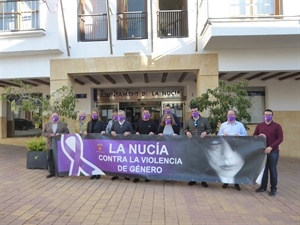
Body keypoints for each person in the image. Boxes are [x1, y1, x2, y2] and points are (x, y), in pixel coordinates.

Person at [253, 109, 283, 196]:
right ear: (263, 115)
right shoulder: (260, 126)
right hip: (262, 152)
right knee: (264, 170)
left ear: (272, 116)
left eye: (269, 114)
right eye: (266, 114)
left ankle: (273, 189)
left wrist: (271, 146)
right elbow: (254, 136)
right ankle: (263, 187)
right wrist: (259, 136)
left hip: (273, 151)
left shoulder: (277, 126)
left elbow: (280, 138)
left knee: (272, 170)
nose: (267, 116)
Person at [217, 109, 248, 191]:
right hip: (226, 148)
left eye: (232, 114)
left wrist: (239, 135)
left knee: (236, 164)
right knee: (226, 164)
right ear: (227, 115)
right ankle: (226, 182)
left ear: (235, 115)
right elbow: (218, 135)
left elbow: (245, 135)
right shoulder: (223, 125)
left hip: (237, 147)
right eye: (229, 114)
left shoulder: (240, 125)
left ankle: (237, 182)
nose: (230, 116)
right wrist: (223, 134)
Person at [184, 105, 211, 187]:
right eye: (192, 111)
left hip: (202, 144)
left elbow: (209, 129)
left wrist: (205, 132)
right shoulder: (188, 121)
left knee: (202, 162)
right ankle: (193, 179)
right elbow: (185, 129)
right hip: (192, 144)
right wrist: (186, 132)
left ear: (199, 112)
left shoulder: (204, 120)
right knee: (193, 162)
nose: (194, 113)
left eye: (195, 111)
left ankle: (203, 180)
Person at [134, 109, 158, 183]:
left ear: (149, 114)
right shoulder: (139, 122)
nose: (145, 114)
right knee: (138, 161)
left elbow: (156, 132)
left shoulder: (152, 123)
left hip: (149, 145)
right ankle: (137, 176)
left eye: (147, 113)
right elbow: (136, 131)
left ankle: (147, 176)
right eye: (144, 113)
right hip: (140, 145)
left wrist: (153, 133)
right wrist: (136, 132)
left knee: (147, 161)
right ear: (142, 114)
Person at [43, 112, 69, 178]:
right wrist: (50, 135)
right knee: (50, 158)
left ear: (58, 117)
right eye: (54, 115)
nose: (55, 117)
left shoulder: (62, 124)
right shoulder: (47, 124)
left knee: (59, 158)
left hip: (59, 144)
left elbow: (67, 132)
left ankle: (60, 172)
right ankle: (52, 172)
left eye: (56, 115)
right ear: (51, 117)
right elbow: (43, 133)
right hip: (50, 144)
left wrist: (60, 134)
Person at [110, 110, 134, 181]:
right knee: (116, 159)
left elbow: (132, 131)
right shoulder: (115, 123)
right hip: (116, 145)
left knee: (125, 159)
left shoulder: (128, 123)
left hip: (125, 145)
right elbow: (110, 131)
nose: (120, 116)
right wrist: (112, 132)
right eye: (119, 115)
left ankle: (126, 174)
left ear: (124, 116)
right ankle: (116, 174)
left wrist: (129, 132)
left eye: (121, 115)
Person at [87, 110, 106, 179]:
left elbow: (104, 130)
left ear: (97, 114)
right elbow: (88, 132)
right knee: (92, 158)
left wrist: (103, 132)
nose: (94, 114)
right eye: (92, 113)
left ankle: (98, 173)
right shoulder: (89, 123)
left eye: (95, 113)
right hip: (91, 142)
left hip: (98, 142)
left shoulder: (101, 122)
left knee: (98, 158)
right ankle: (93, 173)